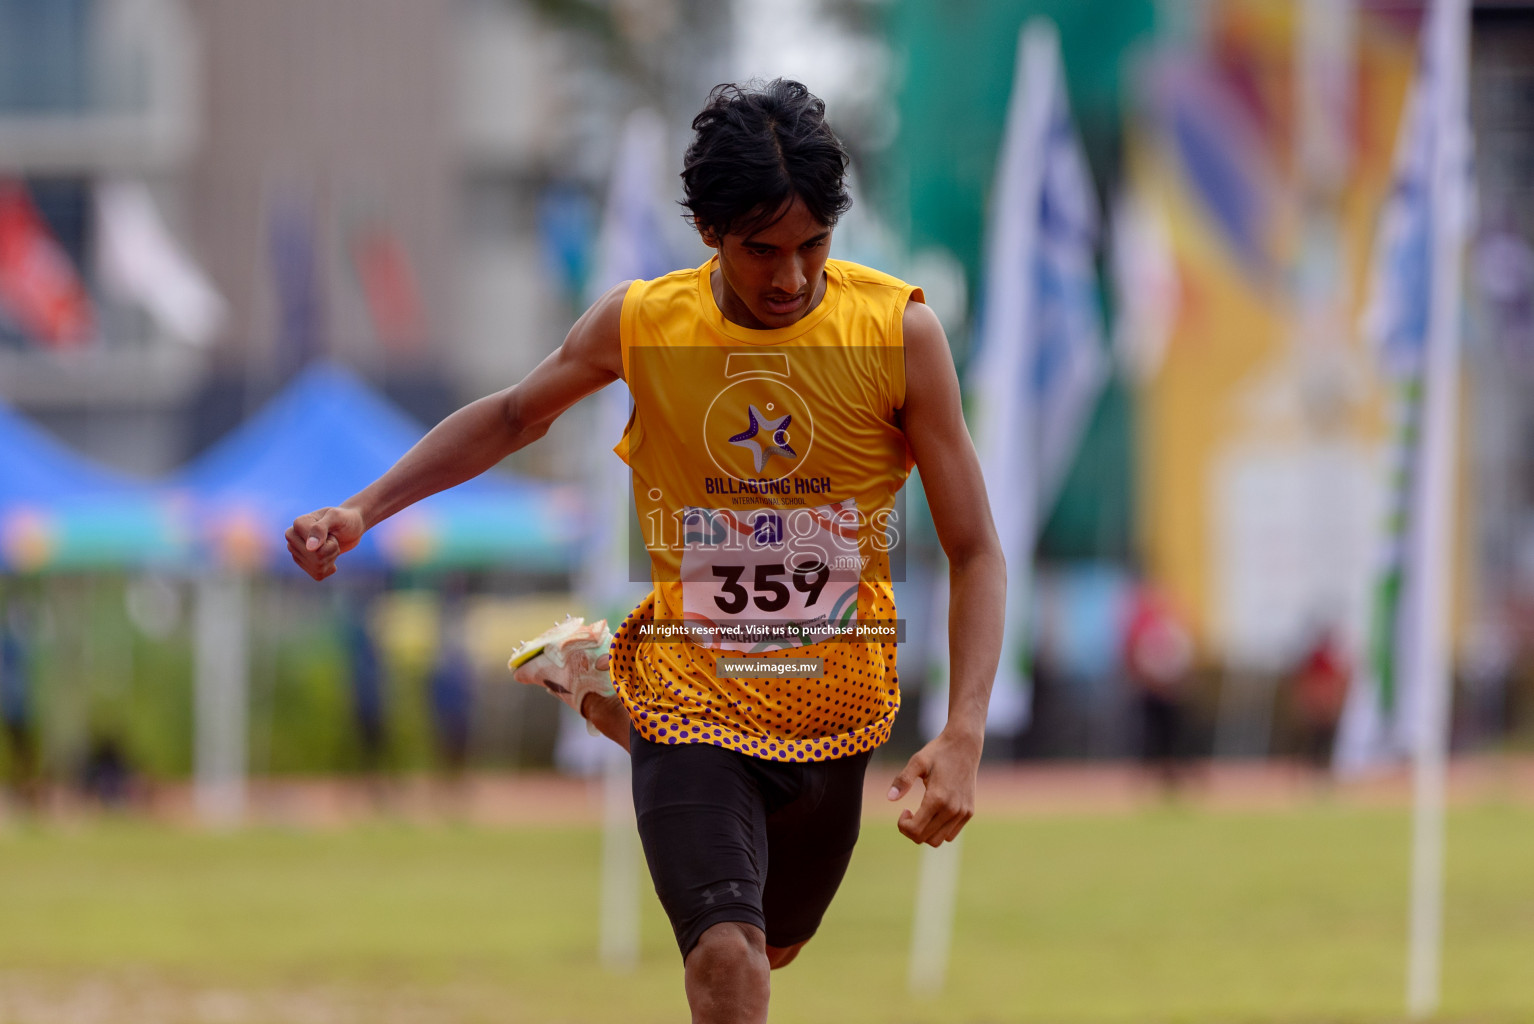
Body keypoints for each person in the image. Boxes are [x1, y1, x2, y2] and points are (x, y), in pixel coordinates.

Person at [287, 79, 1004, 1024]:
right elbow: (512, 417)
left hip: (836, 706)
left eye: (812, 248)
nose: (790, 278)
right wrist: (365, 507)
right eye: (762, 251)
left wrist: (963, 733)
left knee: (774, 946)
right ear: (709, 230)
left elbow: (975, 548)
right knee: (727, 965)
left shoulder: (897, 333)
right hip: (694, 699)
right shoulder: (642, 324)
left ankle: (608, 691)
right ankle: (646, 700)